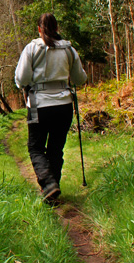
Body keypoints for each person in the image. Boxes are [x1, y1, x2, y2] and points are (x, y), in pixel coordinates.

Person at [15, 13, 87, 201]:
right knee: (56, 148)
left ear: (39, 29)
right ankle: (53, 188)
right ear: (57, 28)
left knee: (35, 147)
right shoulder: (69, 50)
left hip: (38, 103)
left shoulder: (31, 48)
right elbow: (80, 79)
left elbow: (21, 78)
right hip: (64, 104)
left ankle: (48, 184)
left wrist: (26, 84)